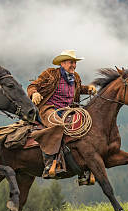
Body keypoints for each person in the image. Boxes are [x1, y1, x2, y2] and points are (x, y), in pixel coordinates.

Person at [27, 50, 96, 178]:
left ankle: (84, 166)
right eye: (71, 62)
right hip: (48, 109)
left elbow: (78, 89)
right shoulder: (50, 73)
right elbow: (33, 85)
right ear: (63, 63)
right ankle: (49, 165)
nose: (74, 66)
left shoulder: (75, 77)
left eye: (75, 63)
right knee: (57, 126)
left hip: (68, 110)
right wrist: (34, 93)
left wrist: (88, 89)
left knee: (85, 126)